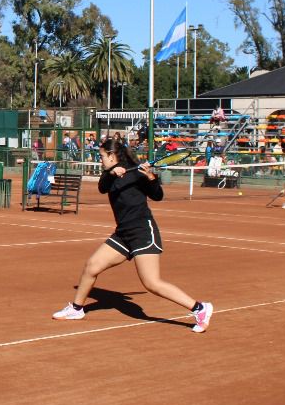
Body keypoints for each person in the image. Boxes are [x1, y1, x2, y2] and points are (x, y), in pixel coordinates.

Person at [52, 136, 214, 333]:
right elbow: (102, 187)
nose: (100, 159)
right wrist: (112, 172)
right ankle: (77, 309)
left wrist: (150, 177)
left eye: (102, 155)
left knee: (151, 283)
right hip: (123, 233)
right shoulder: (110, 174)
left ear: (112, 155)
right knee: (92, 266)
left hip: (142, 231)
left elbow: (158, 196)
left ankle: (200, 308)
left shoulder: (136, 171)